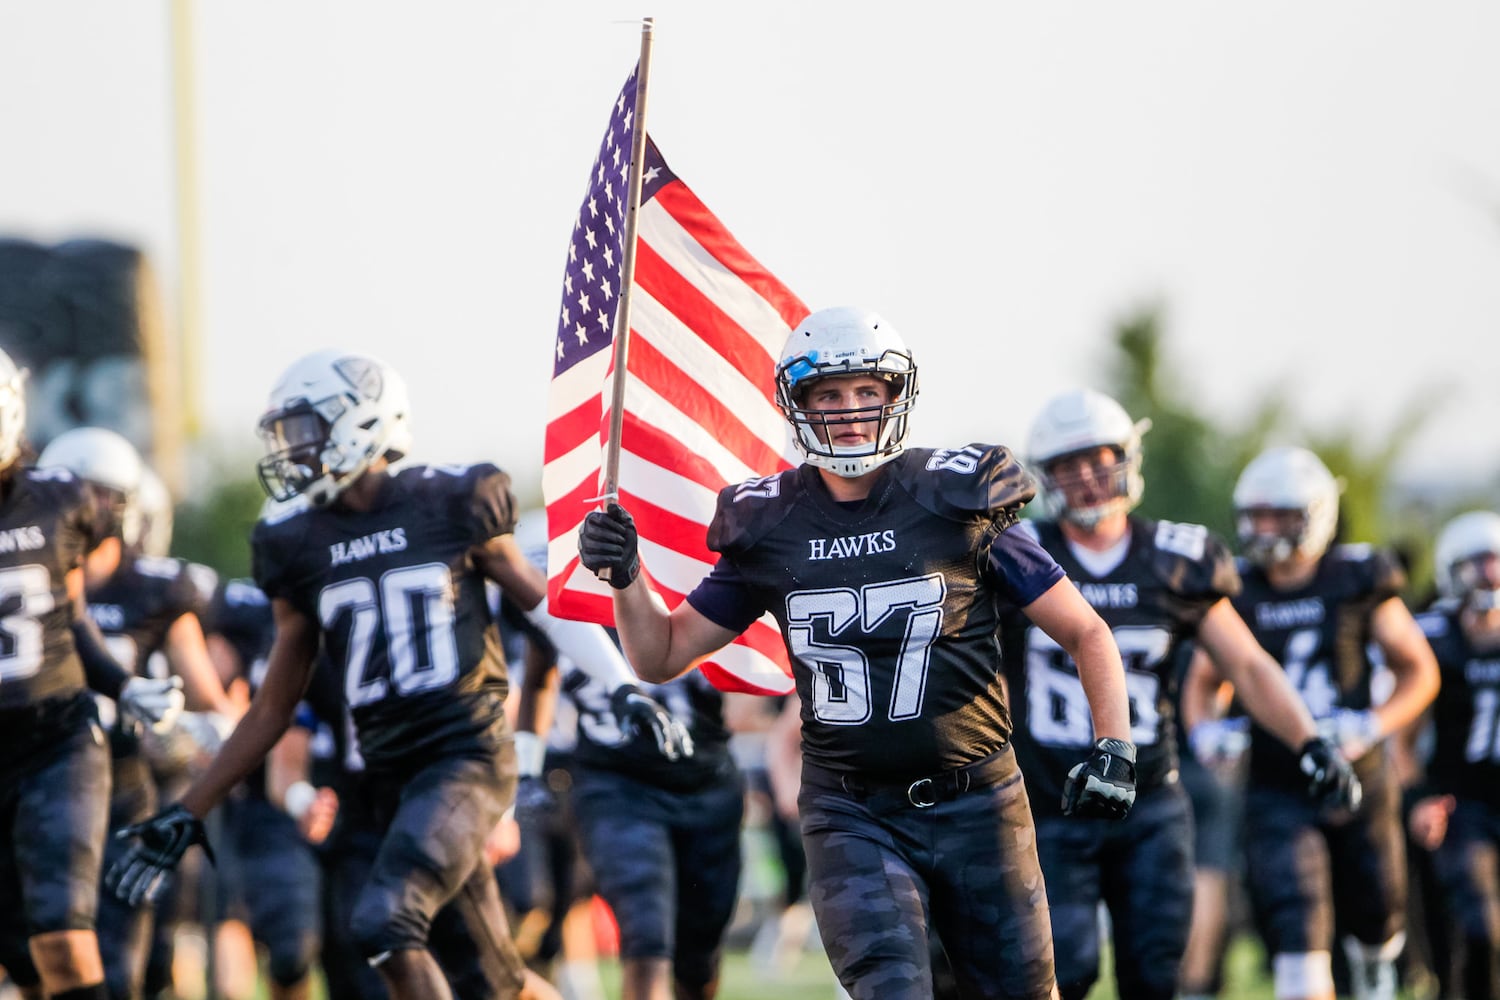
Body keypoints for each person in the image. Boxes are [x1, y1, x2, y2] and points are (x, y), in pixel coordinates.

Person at [579, 306, 1137, 1000]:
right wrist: (627, 580)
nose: (849, 410)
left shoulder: (955, 497)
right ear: (798, 404)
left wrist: (1115, 743)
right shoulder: (772, 522)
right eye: (828, 395)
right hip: (852, 811)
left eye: (865, 391)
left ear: (894, 397)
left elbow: (1086, 631)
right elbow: (660, 655)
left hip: (980, 801)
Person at [105, 349, 655, 1000]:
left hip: (467, 760)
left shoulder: (451, 501)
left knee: (385, 922)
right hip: (390, 779)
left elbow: (545, 611)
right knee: (494, 981)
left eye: (304, 431)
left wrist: (622, 684)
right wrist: (190, 809)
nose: (291, 451)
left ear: (358, 422)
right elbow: (271, 708)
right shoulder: (296, 543)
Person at [1006, 389, 1360, 1000]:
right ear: (1046, 475)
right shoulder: (1020, 555)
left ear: (1127, 458)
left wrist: (1310, 740)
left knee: (1157, 971)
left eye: (1099, 459)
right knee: (1064, 968)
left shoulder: (1175, 559)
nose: (1088, 478)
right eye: (1069, 465)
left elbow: (1247, 664)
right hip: (1050, 800)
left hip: (1150, 801)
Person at [1184, 445, 1440, 1000]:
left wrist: (1374, 724)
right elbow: (1205, 681)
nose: (1265, 528)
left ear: (1316, 514)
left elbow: (1419, 670)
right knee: (1298, 929)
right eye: (1256, 515)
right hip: (1278, 785)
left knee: (1378, 914)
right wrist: (1208, 732)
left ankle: (1374, 969)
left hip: (1359, 780)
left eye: (1280, 514)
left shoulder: (1356, 577)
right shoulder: (1240, 587)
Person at [0, 346, 183, 1000]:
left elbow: (73, 618)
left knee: (64, 936)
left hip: (58, 741)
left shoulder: (55, 500)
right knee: (20, 954)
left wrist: (122, 684)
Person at [35, 429, 239, 1000]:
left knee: (126, 966)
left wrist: (203, 729)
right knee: (37, 955)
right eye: (78, 492)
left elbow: (207, 699)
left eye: (103, 494)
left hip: (127, 785)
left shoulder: (155, 589)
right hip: (39, 779)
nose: (90, 509)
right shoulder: (29, 572)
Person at [1407, 511, 1500, 999]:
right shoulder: (1431, 636)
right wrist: (1418, 796)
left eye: (1497, 562)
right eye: (1478, 563)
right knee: (1476, 926)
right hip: (1460, 802)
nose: (1489, 576)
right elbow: (1403, 735)